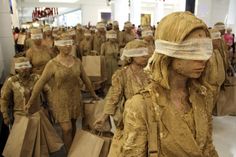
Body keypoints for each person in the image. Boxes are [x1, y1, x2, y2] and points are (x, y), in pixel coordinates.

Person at [121, 12, 219, 157]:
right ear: (168, 53)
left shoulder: (204, 96)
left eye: (205, 49)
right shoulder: (141, 105)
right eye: (192, 50)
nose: (202, 58)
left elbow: (208, 148)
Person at [26, 33, 99, 152]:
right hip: (60, 99)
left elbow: (86, 79)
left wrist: (93, 94)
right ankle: (69, 152)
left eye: (69, 44)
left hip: (75, 98)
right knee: (66, 129)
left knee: (74, 125)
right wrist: (30, 101)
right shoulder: (52, 64)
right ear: (58, 46)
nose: (67, 47)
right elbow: (40, 83)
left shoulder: (77, 61)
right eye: (64, 44)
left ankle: (74, 149)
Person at [94, 39, 151, 157]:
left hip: (150, 117)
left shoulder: (150, 73)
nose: (145, 56)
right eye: (140, 53)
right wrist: (104, 117)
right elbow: (113, 97)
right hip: (131, 120)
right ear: (131, 56)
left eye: (146, 52)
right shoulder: (121, 75)